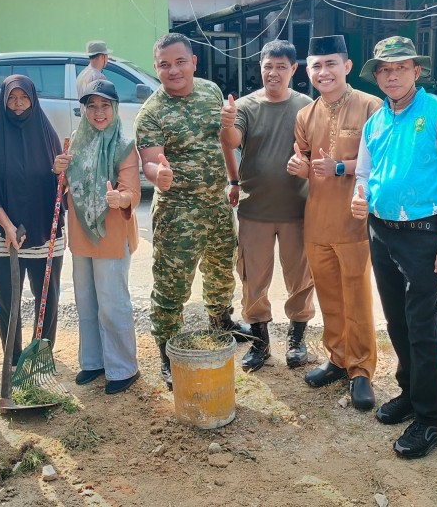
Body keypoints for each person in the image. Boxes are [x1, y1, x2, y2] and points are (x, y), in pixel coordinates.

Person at [351, 36, 437, 458]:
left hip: (423, 233)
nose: (393, 75)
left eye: (401, 67)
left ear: (417, 71)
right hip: (381, 230)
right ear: (377, 76)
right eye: (385, 69)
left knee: (422, 326)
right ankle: (409, 393)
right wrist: (359, 194)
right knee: (397, 320)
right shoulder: (376, 121)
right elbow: (364, 171)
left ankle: (432, 419)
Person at [134, 32, 250, 390]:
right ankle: (168, 355)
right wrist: (160, 176)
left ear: (194, 62)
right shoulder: (151, 113)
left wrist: (233, 181)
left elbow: (223, 141)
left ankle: (221, 321)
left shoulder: (211, 92)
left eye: (180, 62)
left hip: (216, 203)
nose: (173, 70)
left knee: (221, 270)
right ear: (156, 68)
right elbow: (150, 163)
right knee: (171, 288)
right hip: (177, 212)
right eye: (164, 65)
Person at [289, 34, 381, 411]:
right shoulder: (305, 115)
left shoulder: (371, 106)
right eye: (316, 66)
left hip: (355, 222)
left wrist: (341, 167)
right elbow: (304, 159)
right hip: (317, 222)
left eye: (330, 64)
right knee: (328, 295)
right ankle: (338, 358)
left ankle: (361, 370)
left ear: (346, 66)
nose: (323, 72)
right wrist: (296, 167)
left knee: (356, 298)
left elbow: (383, 164)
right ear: (308, 72)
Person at [219, 39, 315, 372]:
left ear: (293, 70)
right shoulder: (245, 106)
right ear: (260, 67)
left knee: (300, 279)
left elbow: (315, 152)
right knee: (253, 281)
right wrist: (228, 122)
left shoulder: (306, 106)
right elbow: (233, 142)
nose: (273, 73)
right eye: (267, 66)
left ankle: (297, 339)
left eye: (280, 67)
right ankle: (260, 344)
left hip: (296, 210)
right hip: (254, 209)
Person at [52, 79, 141, 394]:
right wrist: (59, 169)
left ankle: (123, 367)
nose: (98, 112)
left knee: (111, 302)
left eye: (105, 105)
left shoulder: (123, 144)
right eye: (92, 106)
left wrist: (121, 198)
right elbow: (68, 185)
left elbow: (131, 190)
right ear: (84, 109)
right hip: (81, 233)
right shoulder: (76, 140)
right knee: (86, 300)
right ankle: (93, 361)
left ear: (115, 108)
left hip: (112, 233)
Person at [0, 75, 64, 367]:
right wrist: (7, 225)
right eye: (12, 97)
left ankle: (40, 357)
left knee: (46, 298)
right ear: (3, 100)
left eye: (24, 98)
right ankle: (13, 359)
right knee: (7, 301)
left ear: (33, 100)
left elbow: (60, 187)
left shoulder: (49, 136)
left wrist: (61, 171)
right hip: (2, 234)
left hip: (44, 232)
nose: (18, 104)